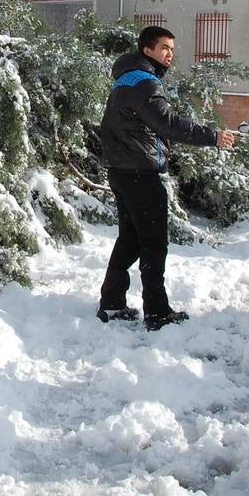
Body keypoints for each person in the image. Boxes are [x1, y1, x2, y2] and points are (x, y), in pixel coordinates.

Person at [97, 26, 237, 331]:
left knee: (131, 239)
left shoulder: (126, 78)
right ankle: (157, 311)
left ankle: (111, 301)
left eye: (172, 49)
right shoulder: (145, 83)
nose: (170, 55)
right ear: (147, 50)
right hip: (140, 172)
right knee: (153, 243)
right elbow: (168, 124)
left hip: (121, 170)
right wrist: (213, 136)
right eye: (164, 48)